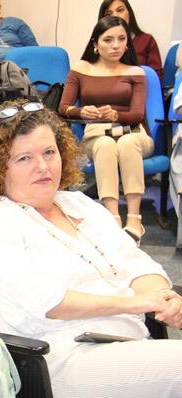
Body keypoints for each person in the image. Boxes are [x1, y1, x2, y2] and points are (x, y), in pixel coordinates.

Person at [0, 97, 182, 398]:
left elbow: (136, 263)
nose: (43, 166)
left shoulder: (77, 203)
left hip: (129, 346)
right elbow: (44, 303)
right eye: (24, 158)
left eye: (49, 152)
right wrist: (137, 303)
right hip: (61, 365)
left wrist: (162, 296)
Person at [58, 15, 152, 244]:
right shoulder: (81, 69)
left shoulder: (136, 72)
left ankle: (134, 218)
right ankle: (112, 218)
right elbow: (63, 107)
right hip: (97, 134)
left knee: (127, 143)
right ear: (95, 43)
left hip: (133, 132)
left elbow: (138, 114)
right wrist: (82, 111)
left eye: (121, 39)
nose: (116, 45)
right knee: (105, 144)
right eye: (108, 40)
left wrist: (115, 115)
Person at [98, 0, 162, 80]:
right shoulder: (99, 43)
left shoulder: (147, 40)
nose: (115, 16)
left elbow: (156, 78)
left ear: (129, 13)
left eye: (120, 10)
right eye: (109, 14)